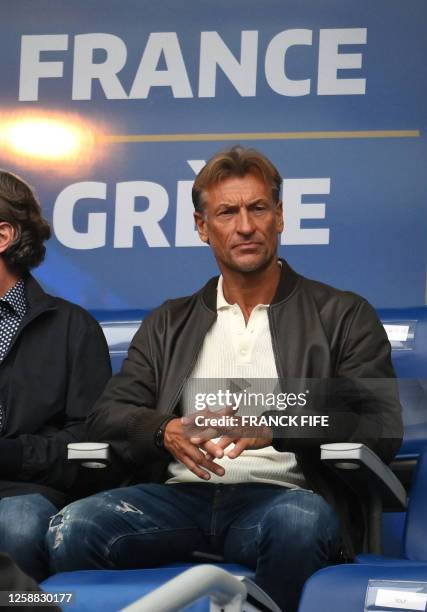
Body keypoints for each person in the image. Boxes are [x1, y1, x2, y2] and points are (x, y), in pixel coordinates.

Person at [47, 147, 402, 611]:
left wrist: (276, 427)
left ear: (280, 217)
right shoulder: (169, 322)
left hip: (283, 498)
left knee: (299, 522)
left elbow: (379, 423)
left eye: (258, 208)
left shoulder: (342, 314)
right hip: (178, 500)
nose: (245, 226)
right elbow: (106, 417)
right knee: (73, 527)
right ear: (202, 227)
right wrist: (164, 430)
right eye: (227, 212)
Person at [0, 170, 111, 582]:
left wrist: (12, 454)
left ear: (3, 236)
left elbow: (93, 449)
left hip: (25, 493)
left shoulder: (73, 328)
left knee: (18, 523)